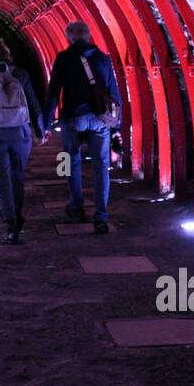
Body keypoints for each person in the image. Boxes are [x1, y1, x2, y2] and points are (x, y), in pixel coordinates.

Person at [44, 20, 121, 234]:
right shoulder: (103, 59)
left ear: (69, 37)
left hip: (73, 118)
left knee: (70, 161)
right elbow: (113, 93)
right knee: (101, 166)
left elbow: (53, 93)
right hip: (99, 118)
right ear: (88, 36)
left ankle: (76, 206)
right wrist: (117, 127)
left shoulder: (63, 58)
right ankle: (101, 216)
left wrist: (46, 124)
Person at [0, 37, 47, 244]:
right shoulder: (21, 74)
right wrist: (39, 132)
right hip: (20, 133)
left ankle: (11, 223)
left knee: (1, 179)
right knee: (17, 176)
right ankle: (18, 212)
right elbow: (33, 104)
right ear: (7, 55)